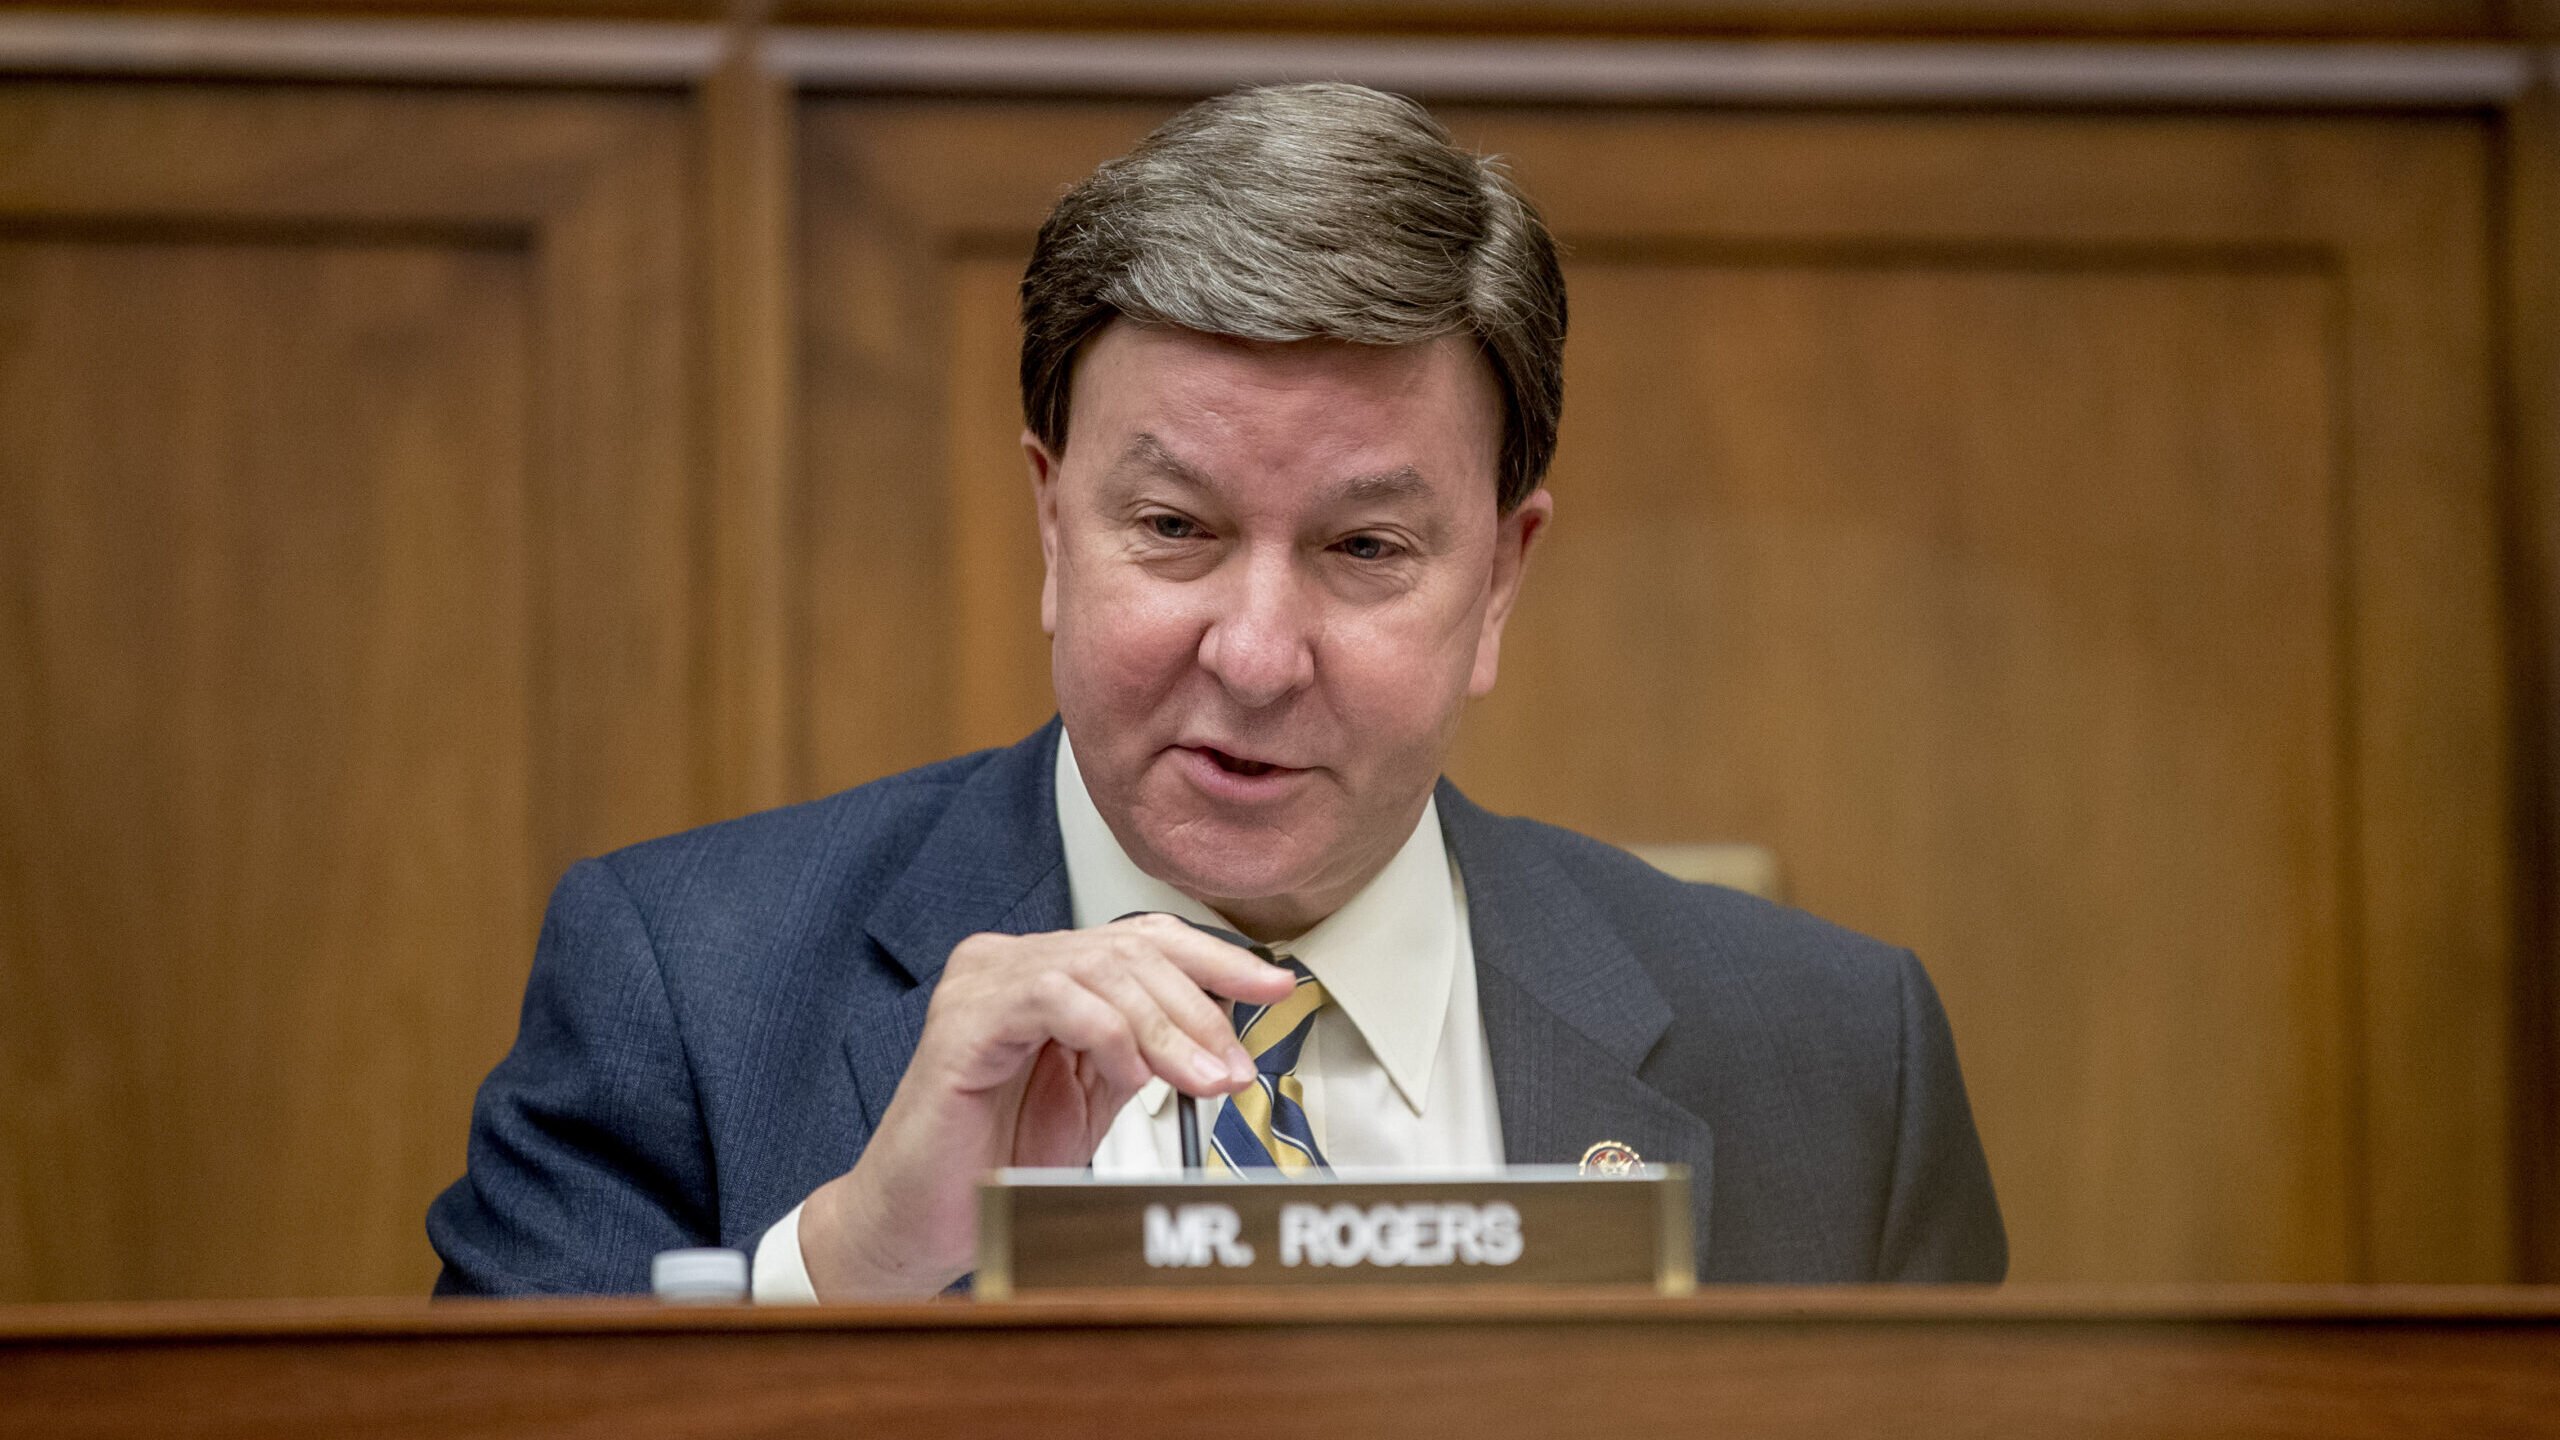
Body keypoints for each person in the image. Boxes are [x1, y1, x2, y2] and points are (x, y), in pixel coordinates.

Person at [428, 82, 2005, 1299]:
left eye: (1366, 545)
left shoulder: (1836, 1061)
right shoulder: (682, 1002)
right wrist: (840, 1274)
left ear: (1501, 580)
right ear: (1056, 526)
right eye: (1174, 530)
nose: (1255, 654)